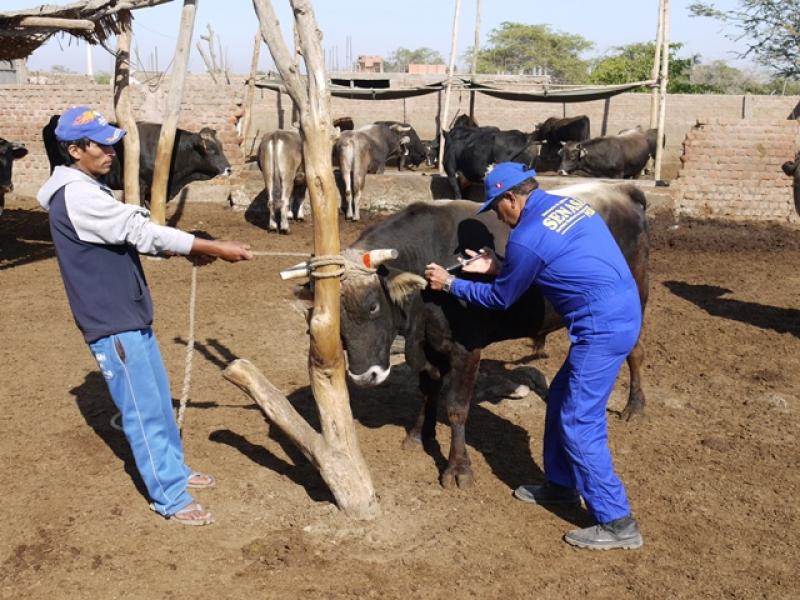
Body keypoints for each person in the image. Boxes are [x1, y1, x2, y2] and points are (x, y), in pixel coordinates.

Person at [38, 106, 253, 526]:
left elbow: (127, 235)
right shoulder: (78, 195)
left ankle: (174, 469)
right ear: (75, 150)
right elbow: (142, 231)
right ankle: (171, 496)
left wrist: (182, 249)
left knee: (156, 399)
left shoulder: (87, 188)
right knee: (142, 410)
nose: (111, 152)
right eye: (101, 145)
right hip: (112, 321)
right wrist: (212, 247)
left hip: (128, 314)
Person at [424, 162, 643, 550]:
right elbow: (556, 257)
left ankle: (617, 521)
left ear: (512, 197)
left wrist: (451, 282)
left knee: (579, 421)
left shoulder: (526, 236)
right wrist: (499, 265)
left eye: (496, 207)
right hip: (620, 310)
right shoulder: (567, 207)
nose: (497, 216)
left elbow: (501, 299)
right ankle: (561, 484)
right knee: (559, 398)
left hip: (602, 327)